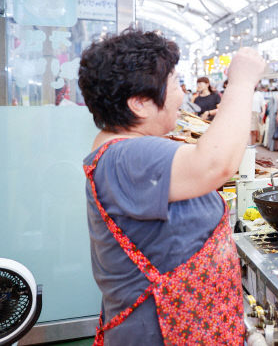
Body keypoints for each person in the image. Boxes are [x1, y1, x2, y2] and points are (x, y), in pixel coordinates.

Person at [77, 30, 265, 345]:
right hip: (161, 331)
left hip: (187, 325)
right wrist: (243, 81)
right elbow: (214, 165)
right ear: (139, 104)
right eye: (175, 83)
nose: (182, 94)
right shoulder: (128, 156)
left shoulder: (127, 150)